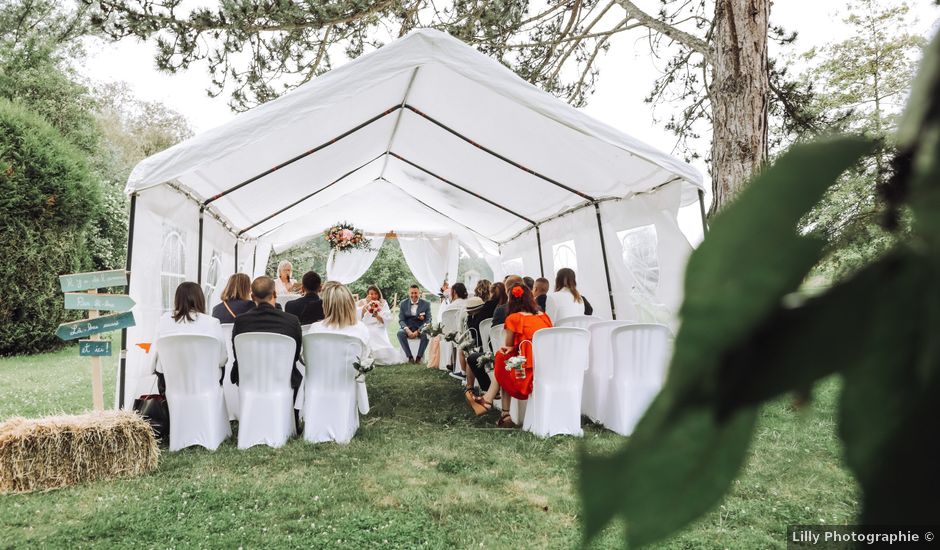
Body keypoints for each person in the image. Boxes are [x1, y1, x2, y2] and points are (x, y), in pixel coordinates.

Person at [471, 283, 553, 427]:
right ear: (530, 298)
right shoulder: (544, 317)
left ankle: (492, 403)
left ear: (512, 301)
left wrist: (508, 350)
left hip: (526, 373)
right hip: (546, 366)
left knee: (502, 358)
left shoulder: (514, 318)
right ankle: (503, 414)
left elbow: (508, 346)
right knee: (505, 361)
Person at [230, 276, 303, 408]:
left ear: (252, 297)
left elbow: (237, 354)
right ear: (274, 294)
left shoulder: (241, 321)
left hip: (249, 378)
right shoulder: (291, 321)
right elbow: (295, 355)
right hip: (283, 378)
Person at [151, 282, 227, 394]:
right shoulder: (212, 323)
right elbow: (222, 359)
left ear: (177, 299)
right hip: (205, 383)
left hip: (170, 383)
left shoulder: (164, 321)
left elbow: (156, 353)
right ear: (200, 299)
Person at [307, 282, 370, 350]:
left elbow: (309, 356)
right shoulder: (361, 329)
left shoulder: (315, 329)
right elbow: (364, 356)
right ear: (350, 304)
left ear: (325, 305)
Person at [356, 285, 404, 365]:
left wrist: (376, 314)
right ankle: (368, 356)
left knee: (375, 331)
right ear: (367, 294)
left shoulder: (383, 302)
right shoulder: (363, 302)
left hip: (379, 325)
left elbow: (386, 318)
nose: (374, 296)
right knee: (367, 331)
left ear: (378, 294)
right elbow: (359, 316)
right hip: (367, 325)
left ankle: (381, 356)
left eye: (375, 293)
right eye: (371, 294)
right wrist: (366, 306)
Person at [439, 282, 469, 377]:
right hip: (466, 334)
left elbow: (444, 324)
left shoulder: (449, 307)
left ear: (454, 292)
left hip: (452, 334)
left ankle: (449, 361)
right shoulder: (468, 304)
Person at [397, 284, 432, 363]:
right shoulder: (403, 303)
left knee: (426, 335)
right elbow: (401, 320)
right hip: (408, 326)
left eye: (415, 293)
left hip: (420, 327)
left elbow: (428, 320)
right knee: (400, 333)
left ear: (419, 293)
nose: (414, 295)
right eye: (412, 293)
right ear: (409, 293)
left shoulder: (426, 304)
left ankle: (419, 357)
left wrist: (418, 331)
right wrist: (407, 330)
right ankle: (409, 357)